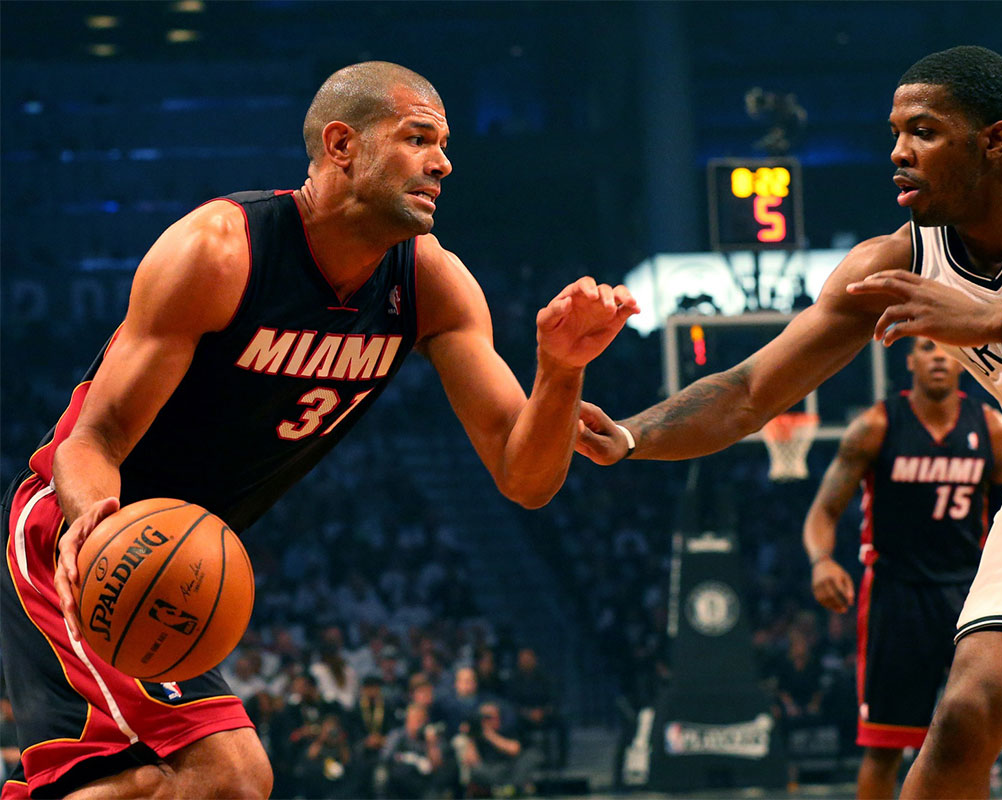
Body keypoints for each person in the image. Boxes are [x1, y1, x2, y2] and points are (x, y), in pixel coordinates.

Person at [1, 61, 638, 800]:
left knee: (174, 783)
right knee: (229, 776)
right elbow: (93, 439)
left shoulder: (430, 284)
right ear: (342, 145)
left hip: (174, 559)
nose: (444, 161)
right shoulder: (219, 251)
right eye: (418, 137)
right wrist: (96, 529)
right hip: (78, 536)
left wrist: (560, 372)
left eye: (444, 142)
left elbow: (525, 479)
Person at [576, 45, 1002, 798]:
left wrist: (993, 318)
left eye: (924, 132)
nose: (898, 152)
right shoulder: (896, 263)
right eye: (895, 133)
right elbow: (749, 391)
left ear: (994, 139)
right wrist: (636, 434)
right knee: (970, 710)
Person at [803, 336, 1002, 798]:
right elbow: (824, 512)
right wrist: (821, 561)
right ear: (910, 360)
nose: (937, 355)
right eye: (926, 347)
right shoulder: (875, 426)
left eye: (944, 348)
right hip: (897, 594)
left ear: (959, 360)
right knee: (886, 744)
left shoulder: (992, 428)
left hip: (973, 593)